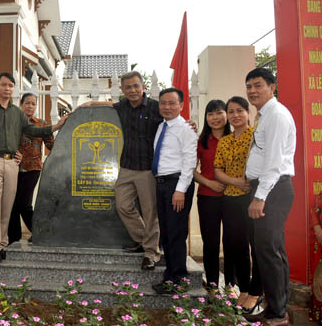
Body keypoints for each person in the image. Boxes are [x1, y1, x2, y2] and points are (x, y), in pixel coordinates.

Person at [0, 72, 67, 263]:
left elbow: (33, 130)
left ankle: (3, 243)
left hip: (12, 164)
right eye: (4, 85)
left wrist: (56, 126)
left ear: (13, 89)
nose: (7, 88)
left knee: (8, 205)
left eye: (10, 86)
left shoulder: (17, 113)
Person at [81, 71, 164, 270]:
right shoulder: (122, 107)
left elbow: (172, 121)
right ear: (123, 90)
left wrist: (189, 124)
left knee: (150, 212)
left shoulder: (155, 107)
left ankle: (151, 253)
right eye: (128, 87)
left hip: (147, 169)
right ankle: (143, 240)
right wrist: (90, 104)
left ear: (142, 86)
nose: (133, 90)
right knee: (123, 206)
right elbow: (108, 105)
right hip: (126, 167)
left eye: (136, 86)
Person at [242, 68, 296, 326]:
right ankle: (275, 310)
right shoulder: (266, 115)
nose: (252, 91)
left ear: (272, 87)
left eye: (258, 85)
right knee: (271, 251)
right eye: (249, 86)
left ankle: (278, 315)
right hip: (267, 188)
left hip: (272, 191)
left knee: (269, 252)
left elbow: (274, 162)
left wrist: (259, 197)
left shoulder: (276, 115)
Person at [214, 96, 263, 311]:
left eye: (239, 110)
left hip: (254, 197)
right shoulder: (225, 140)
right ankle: (243, 289)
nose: (235, 115)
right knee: (236, 245)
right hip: (231, 197)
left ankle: (256, 291)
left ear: (248, 112)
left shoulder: (257, 135)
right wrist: (235, 182)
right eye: (231, 111)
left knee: (257, 246)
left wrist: (249, 184)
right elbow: (217, 170)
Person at [151, 87, 197, 294]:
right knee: (167, 233)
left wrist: (180, 190)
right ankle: (170, 276)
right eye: (163, 103)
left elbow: (189, 162)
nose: (167, 107)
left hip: (177, 184)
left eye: (172, 103)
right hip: (162, 184)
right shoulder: (162, 126)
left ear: (181, 105)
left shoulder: (185, 129)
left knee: (177, 233)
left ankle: (179, 279)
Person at [193, 100, 230, 295]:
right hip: (207, 197)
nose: (215, 118)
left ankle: (232, 285)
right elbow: (191, 170)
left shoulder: (235, 138)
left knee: (233, 242)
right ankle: (213, 285)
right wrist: (209, 183)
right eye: (210, 114)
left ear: (226, 115)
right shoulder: (201, 141)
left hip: (234, 198)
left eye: (219, 113)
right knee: (211, 242)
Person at [8, 93, 54, 245]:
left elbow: (51, 145)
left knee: (24, 203)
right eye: (27, 103)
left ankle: (40, 233)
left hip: (32, 168)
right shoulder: (13, 122)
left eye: (33, 104)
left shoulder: (41, 124)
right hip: (12, 167)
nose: (30, 106)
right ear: (21, 104)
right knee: (12, 204)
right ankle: (13, 239)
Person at [310, 162, 322, 326]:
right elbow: (314, 212)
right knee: (321, 277)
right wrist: (318, 232)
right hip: (321, 243)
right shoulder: (321, 194)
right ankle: (321, 315)